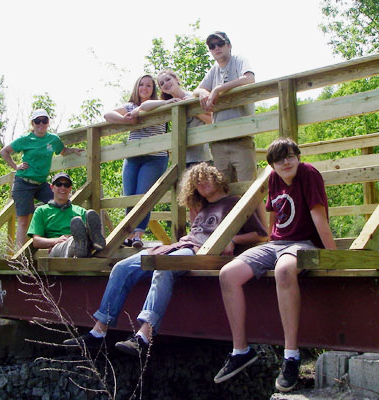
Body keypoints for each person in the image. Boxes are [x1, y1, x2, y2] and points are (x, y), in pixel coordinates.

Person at [63, 163, 267, 354]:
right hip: (179, 246)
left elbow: (261, 234)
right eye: (196, 182)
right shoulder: (201, 206)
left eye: (205, 178)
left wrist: (232, 239)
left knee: (164, 268)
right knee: (121, 268)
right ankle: (98, 332)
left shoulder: (234, 203)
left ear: (217, 179)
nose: (201, 183)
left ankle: (144, 336)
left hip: (200, 252)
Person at [214, 138, 336, 392]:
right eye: (280, 158)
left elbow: (318, 214)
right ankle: (241, 350)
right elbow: (273, 215)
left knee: (283, 270)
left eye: (291, 155)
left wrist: (333, 255)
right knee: (228, 274)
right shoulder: (273, 178)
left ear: (298, 157)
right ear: (272, 164)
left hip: (304, 243)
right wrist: (269, 244)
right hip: (277, 244)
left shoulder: (308, 174)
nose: (287, 161)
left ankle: (291, 355)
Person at [104, 75, 180, 249]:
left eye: (149, 85)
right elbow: (107, 114)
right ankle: (128, 235)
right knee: (129, 197)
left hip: (155, 156)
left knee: (143, 196)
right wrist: (124, 120)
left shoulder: (161, 103)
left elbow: (148, 106)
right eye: (141, 85)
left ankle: (138, 234)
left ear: (154, 89)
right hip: (132, 157)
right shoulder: (130, 106)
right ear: (136, 88)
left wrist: (162, 104)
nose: (145, 88)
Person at [0, 109, 83, 248]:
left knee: (63, 203)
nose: (41, 124)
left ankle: (63, 241)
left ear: (48, 122)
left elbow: (62, 151)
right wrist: (15, 166)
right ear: (33, 123)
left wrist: (73, 150)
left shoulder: (53, 139)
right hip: (24, 183)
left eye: (44, 120)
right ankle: (21, 256)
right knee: (23, 220)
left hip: (42, 184)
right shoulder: (25, 139)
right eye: (37, 121)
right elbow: (4, 151)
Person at [193, 31, 256, 183]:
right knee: (224, 191)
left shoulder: (239, 60)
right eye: (212, 46)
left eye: (220, 44)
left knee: (247, 188)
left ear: (229, 45)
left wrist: (218, 89)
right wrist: (202, 93)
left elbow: (249, 79)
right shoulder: (214, 69)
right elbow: (196, 90)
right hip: (218, 141)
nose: (216, 48)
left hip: (241, 137)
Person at [27, 172, 106, 258]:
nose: (63, 188)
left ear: (70, 188)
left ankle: (91, 242)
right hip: (58, 247)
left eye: (66, 185)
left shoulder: (80, 211)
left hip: (84, 244)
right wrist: (56, 240)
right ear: (52, 187)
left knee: (84, 232)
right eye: (59, 184)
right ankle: (79, 245)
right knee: (71, 243)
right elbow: (36, 241)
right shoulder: (42, 211)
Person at [157, 69, 213, 168]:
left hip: (200, 157)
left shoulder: (193, 96)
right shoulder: (168, 104)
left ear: (176, 79)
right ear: (161, 89)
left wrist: (193, 111)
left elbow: (212, 119)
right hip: (181, 158)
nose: (166, 84)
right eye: (162, 83)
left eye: (168, 79)